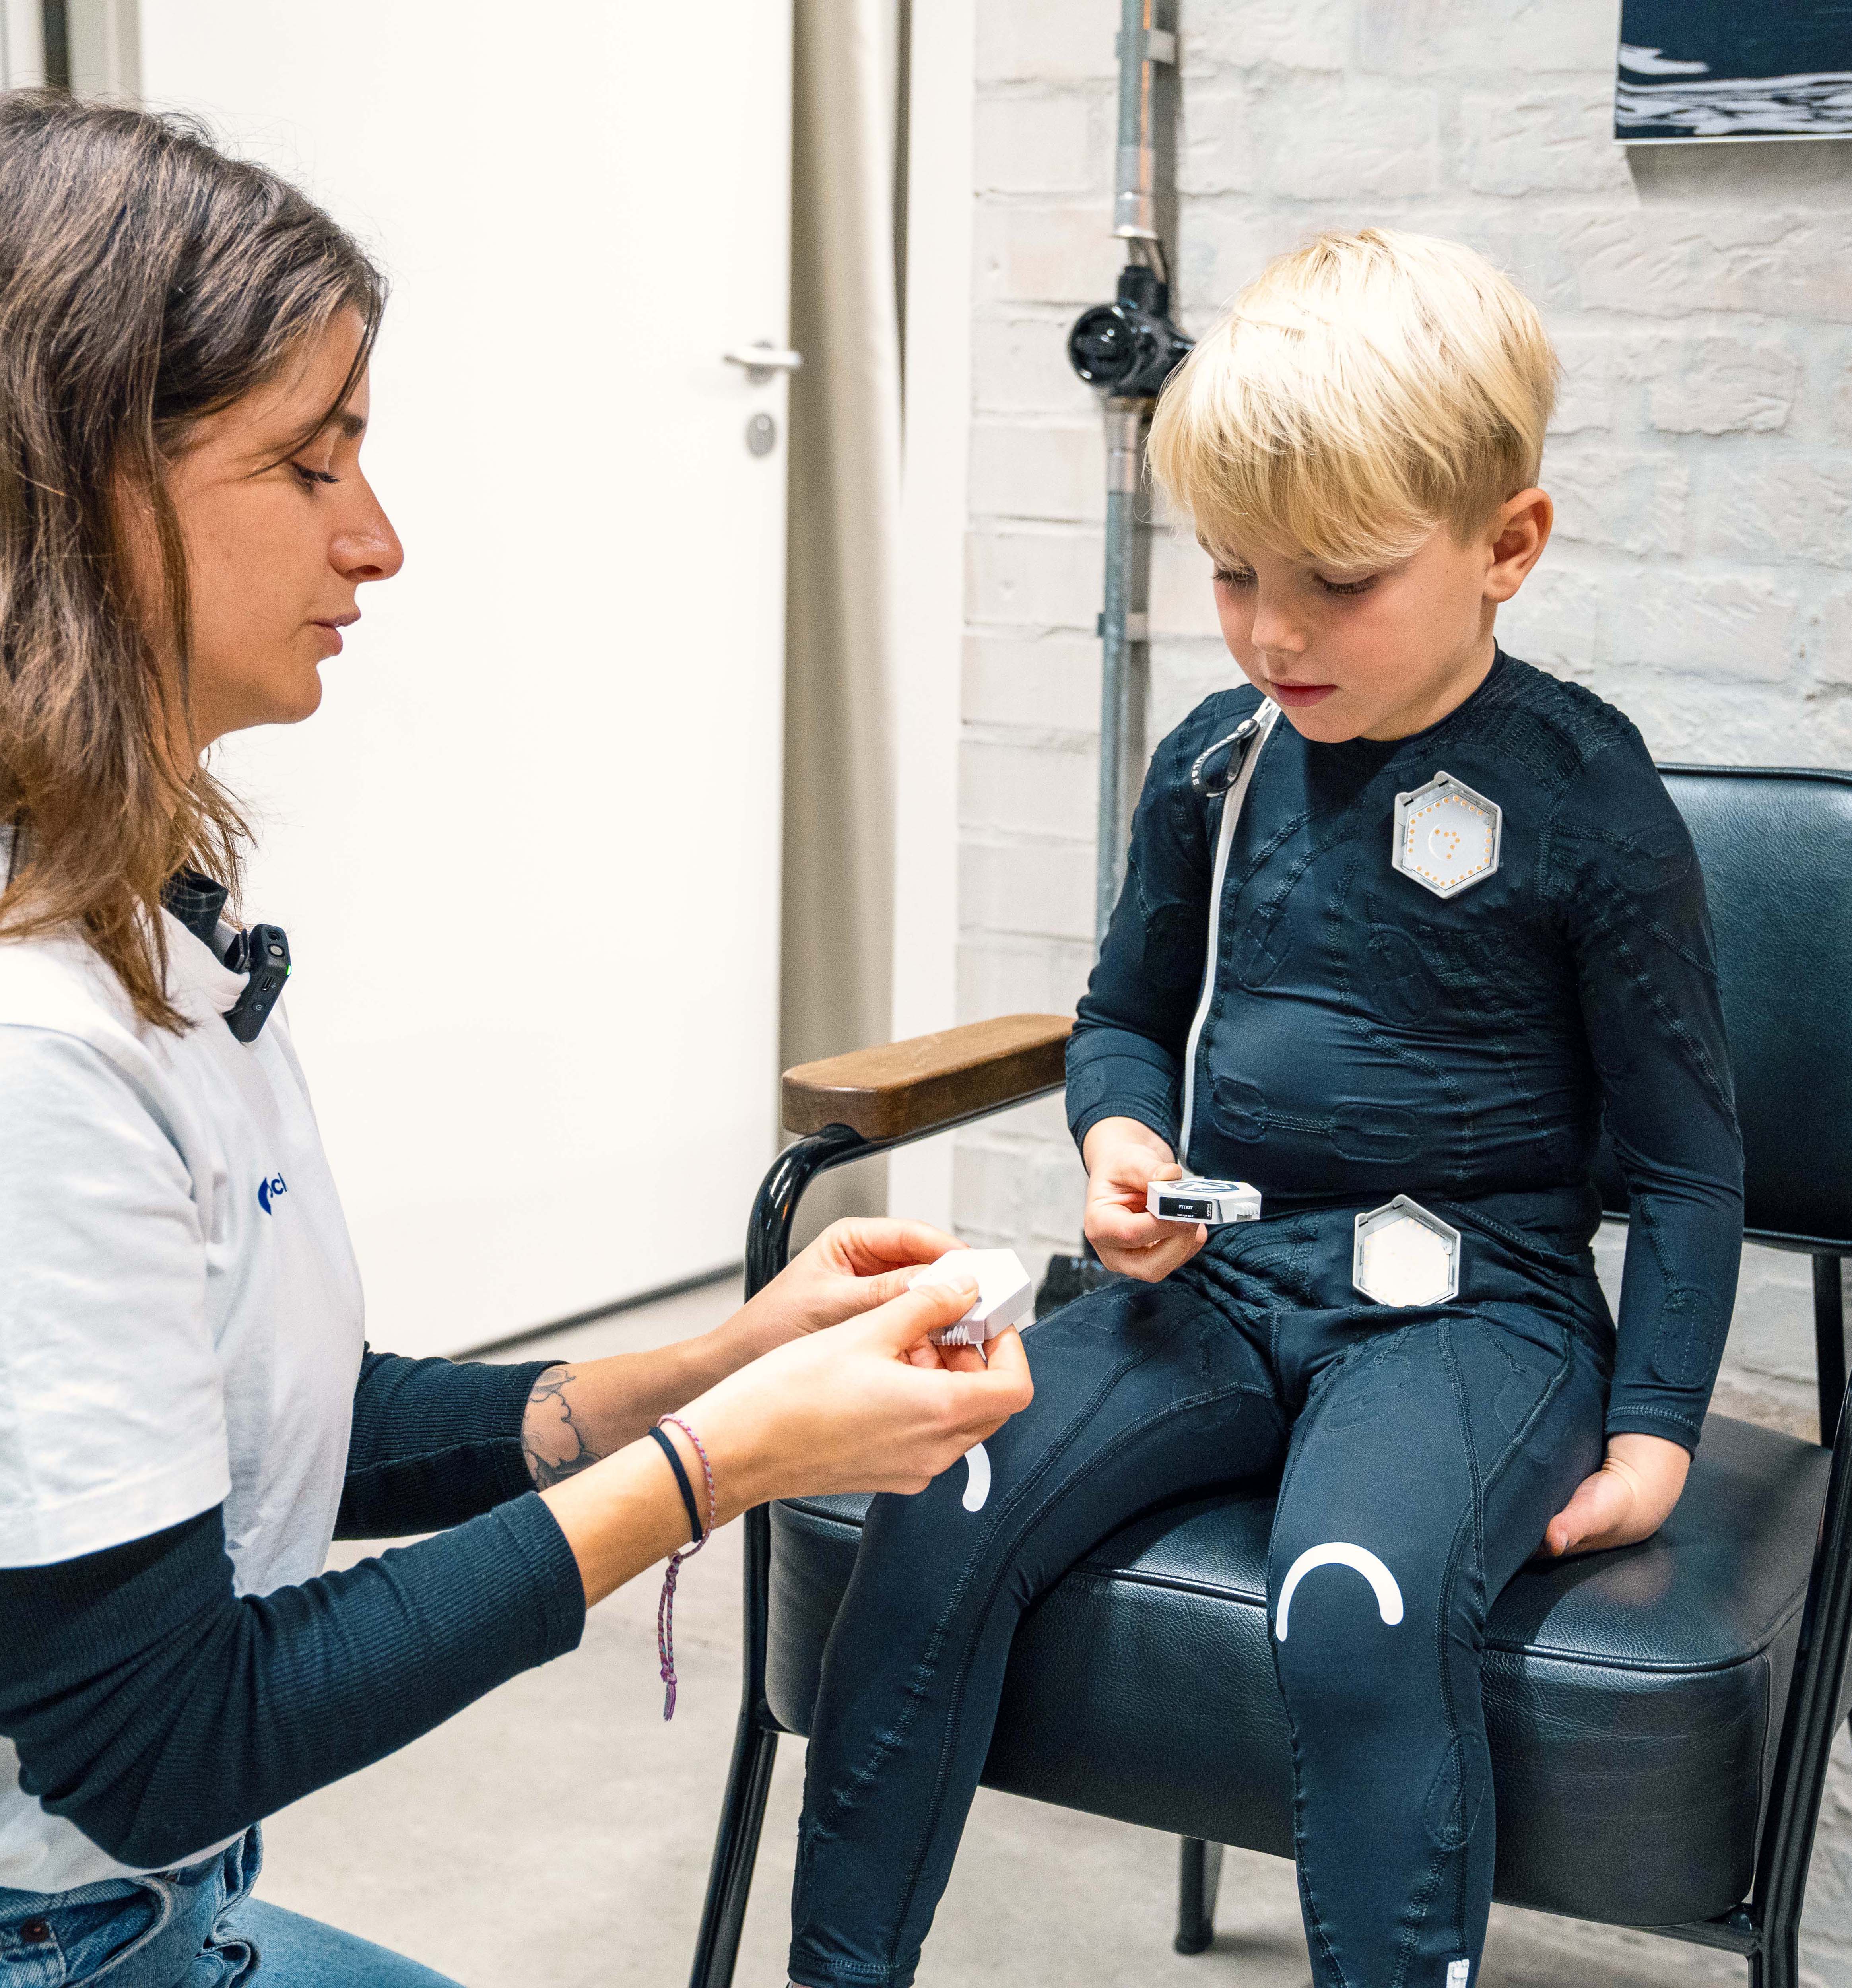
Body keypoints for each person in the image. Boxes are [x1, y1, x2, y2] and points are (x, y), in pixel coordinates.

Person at [0, 92, 1031, 1987]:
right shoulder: (35, 1059)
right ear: (79, 491)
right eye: (310, 469)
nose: (377, 541)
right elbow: (162, 1744)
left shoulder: (136, 932)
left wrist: (704, 1362)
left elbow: (262, 1432)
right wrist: (716, 1459)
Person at [784, 229, 1746, 1988]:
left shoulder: (1587, 795)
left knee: (1353, 1604)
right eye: (1229, 574)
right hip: (1221, 1281)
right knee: (937, 1486)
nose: (1271, 630)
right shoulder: (1216, 761)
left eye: (1338, 579)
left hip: (1461, 1309)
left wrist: (1657, 1426)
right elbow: (1122, 1016)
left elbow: (1686, 1164)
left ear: (1503, 547)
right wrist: (1118, 1143)